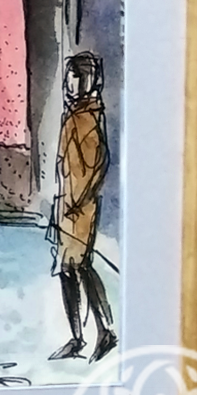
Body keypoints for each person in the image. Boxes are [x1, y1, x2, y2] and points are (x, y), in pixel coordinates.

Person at [49, 52, 117, 362]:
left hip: (80, 208)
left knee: (80, 267)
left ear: (90, 83)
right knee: (67, 270)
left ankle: (104, 331)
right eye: (70, 80)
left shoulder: (88, 117)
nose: (72, 86)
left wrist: (77, 200)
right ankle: (77, 336)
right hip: (66, 205)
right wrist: (62, 202)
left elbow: (97, 166)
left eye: (79, 80)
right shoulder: (72, 116)